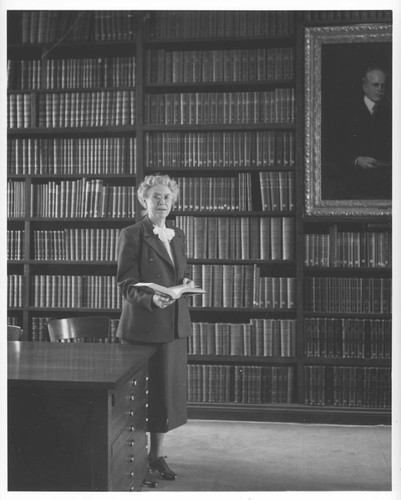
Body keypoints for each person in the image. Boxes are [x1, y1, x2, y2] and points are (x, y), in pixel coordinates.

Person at [116, 174, 194, 484]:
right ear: (144, 200)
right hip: (143, 327)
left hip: (173, 326)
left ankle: (155, 456)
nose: (162, 202)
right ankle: (132, 460)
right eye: (156, 197)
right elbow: (126, 284)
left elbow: (178, 274)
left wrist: (184, 285)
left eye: (167, 198)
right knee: (137, 399)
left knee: (164, 397)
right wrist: (151, 298)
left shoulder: (178, 235)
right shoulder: (132, 234)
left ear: (173, 202)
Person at [324, 65, 392, 200]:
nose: (380, 90)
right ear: (365, 87)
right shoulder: (347, 112)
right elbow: (333, 145)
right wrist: (355, 160)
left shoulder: (389, 112)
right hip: (353, 182)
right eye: (375, 85)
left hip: (384, 183)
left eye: (383, 86)